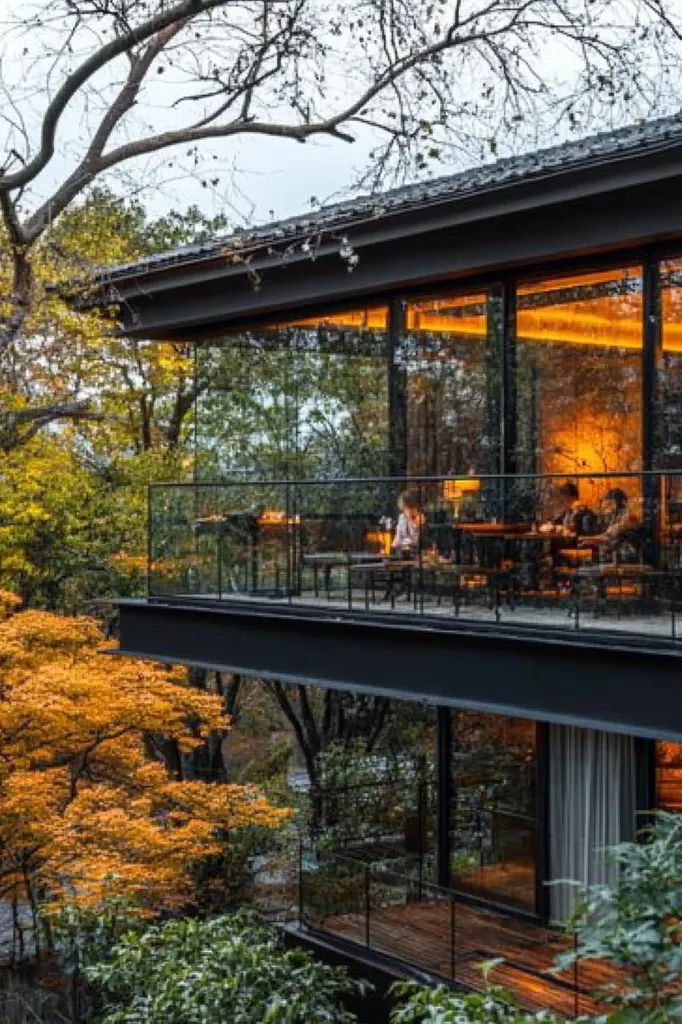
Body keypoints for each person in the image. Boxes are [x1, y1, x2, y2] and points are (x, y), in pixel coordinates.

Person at [579, 488, 640, 557]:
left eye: (610, 503)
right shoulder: (616, 517)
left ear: (619, 503)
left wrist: (588, 539)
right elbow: (607, 535)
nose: (608, 508)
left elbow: (608, 537)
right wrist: (587, 539)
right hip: (615, 554)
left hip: (626, 556)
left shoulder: (628, 517)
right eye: (608, 504)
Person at [391, 491, 425, 555]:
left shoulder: (420, 517)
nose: (404, 510)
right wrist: (392, 547)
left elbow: (414, 537)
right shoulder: (402, 517)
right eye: (403, 508)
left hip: (413, 550)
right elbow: (398, 535)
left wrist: (410, 518)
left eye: (406, 507)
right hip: (400, 549)